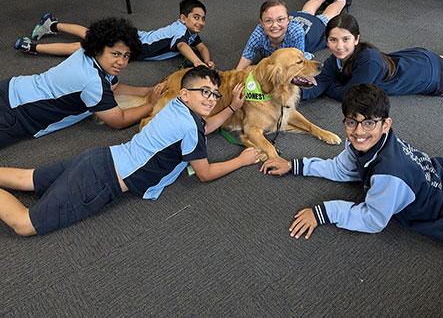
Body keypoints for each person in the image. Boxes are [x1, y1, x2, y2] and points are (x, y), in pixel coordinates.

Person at [0, 66, 259, 236]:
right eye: (204, 92)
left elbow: (205, 128)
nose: (212, 99)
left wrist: (233, 108)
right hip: (102, 179)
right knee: (25, 224)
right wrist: (241, 159)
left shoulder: (178, 108)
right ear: (185, 93)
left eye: (214, 94)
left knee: (30, 179)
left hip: (100, 158)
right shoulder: (189, 127)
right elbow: (204, 173)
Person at [260, 83, 443, 246]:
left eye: (369, 124)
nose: (358, 132)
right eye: (351, 122)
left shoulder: (389, 174)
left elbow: (373, 219)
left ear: (386, 125)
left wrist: (323, 212)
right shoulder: (365, 141)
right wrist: (295, 165)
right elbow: (341, 169)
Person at [1, 17, 163, 149]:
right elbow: (118, 121)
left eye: (126, 56)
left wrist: (148, 91)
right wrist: (151, 104)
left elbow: (115, 87)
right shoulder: (93, 82)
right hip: (17, 116)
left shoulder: (88, 55)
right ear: (100, 48)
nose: (121, 62)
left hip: (11, 87)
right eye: (115, 54)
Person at [301, 14, 443, 101]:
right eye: (333, 40)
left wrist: (330, 87)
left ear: (356, 39)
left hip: (429, 75)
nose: (339, 46)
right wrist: (289, 94)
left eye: (346, 39)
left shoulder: (367, 60)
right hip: (416, 60)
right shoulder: (332, 61)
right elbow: (319, 83)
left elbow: (351, 96)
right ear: (326, 41)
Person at [14, 0, 215, 69]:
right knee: (86, 45)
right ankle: (33, 46)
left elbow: (201, 46)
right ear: (183, 18)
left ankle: (52, 25)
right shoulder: (181, 32)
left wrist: (206, 60)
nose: (200, 22)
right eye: (196, 17)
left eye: (203, 19)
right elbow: (182, 46)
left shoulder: (189, 32)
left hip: (135, 37)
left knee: (89, 35)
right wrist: (196, 63)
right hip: (134, 45)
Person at [235, 0, 352, 70]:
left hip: (309, 31)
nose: (274, 25)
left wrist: (256, 68)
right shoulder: (258, 34)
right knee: (305, 12)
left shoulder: (296, 32)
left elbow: (296, 63)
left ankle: (342, 0)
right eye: (268, 21)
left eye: (280, 20)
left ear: (288, 19)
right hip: (294, 19)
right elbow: (242, 65)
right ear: (261, 23)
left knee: (324, 18)